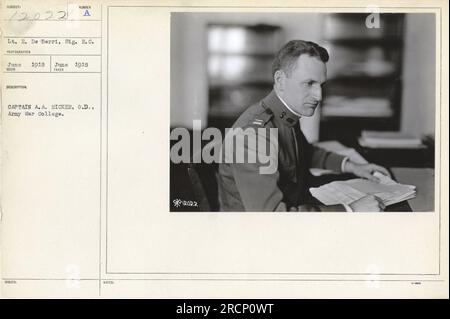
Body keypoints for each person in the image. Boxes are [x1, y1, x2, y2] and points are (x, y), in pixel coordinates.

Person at [217, 40, 390, 212]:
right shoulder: (253, 134)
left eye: (320, 85)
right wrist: (349, 210)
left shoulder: (284, 116)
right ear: (280, 80)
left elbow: (304, 152)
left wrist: (352, 166)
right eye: (309, 84)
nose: (319, 96)